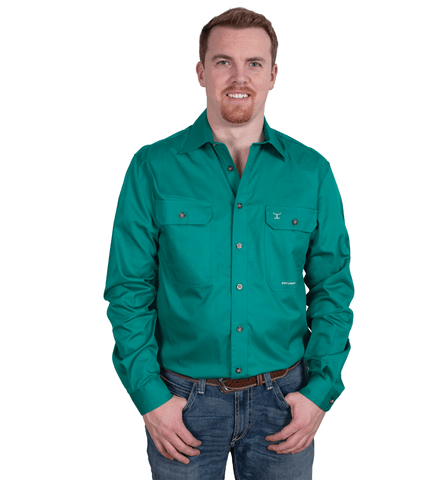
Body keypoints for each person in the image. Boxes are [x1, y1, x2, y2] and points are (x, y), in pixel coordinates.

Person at [103, 7, 354, 479]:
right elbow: (128, 290)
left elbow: (332, 289)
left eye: (254, 63)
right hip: (182, 406)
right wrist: (150, 397)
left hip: (284, 403)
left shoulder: (312, 172)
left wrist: (320, 391)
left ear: (273, 75)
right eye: (224, 62)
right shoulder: (153, 167)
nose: (240, 77)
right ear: (201, 72)